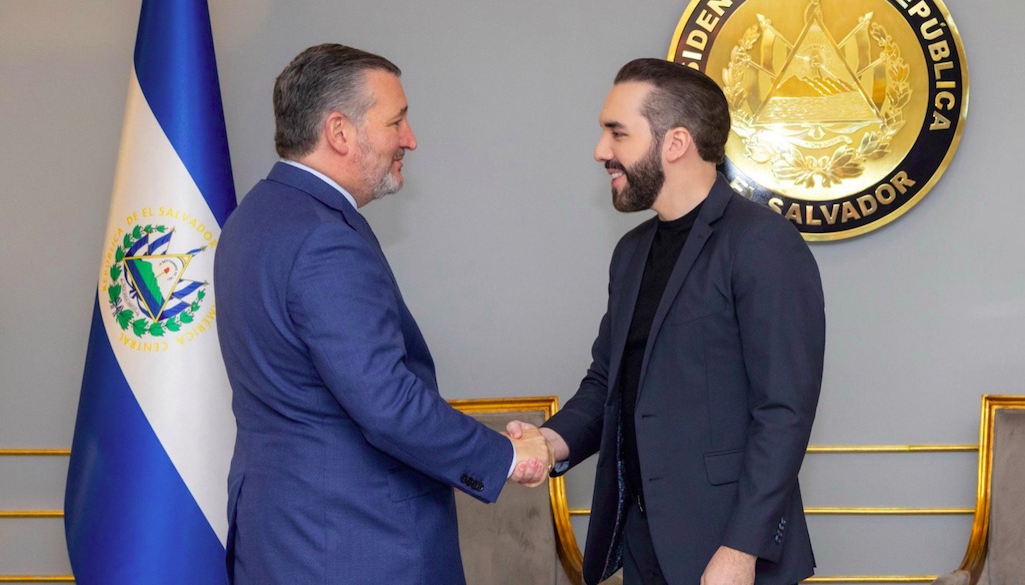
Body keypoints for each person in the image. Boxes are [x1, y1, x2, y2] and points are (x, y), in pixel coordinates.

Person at [215, 43, 553, 584]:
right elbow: (387, 404)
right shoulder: (323, 237)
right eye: (396, 121)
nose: (410, 139)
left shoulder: (252, 218)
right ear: (340, 132)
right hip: (356, 546)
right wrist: (508, 457)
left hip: (280, 539)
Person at [510, 59, 825, 584]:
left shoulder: (763, 243)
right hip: (643, 545)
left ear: (675, 143)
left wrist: (740, 549)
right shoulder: (631, 252)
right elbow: (607, 384)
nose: (601, 151)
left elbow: (784, 412)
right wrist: (548, 442)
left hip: (728, 554)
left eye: (617, 133)